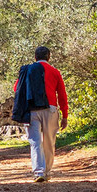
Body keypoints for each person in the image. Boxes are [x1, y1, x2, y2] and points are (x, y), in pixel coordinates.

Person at [10, 43, 69, 182]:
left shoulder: (28, 70)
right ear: (48, 57)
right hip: (50, 109)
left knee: (35, 142)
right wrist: (65, 115)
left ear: (35, 57)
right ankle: (47, 171)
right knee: (49, 142)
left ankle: (38, 172)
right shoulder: (55, 72)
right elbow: (62, 95)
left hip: (32, 110)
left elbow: (16, 89)